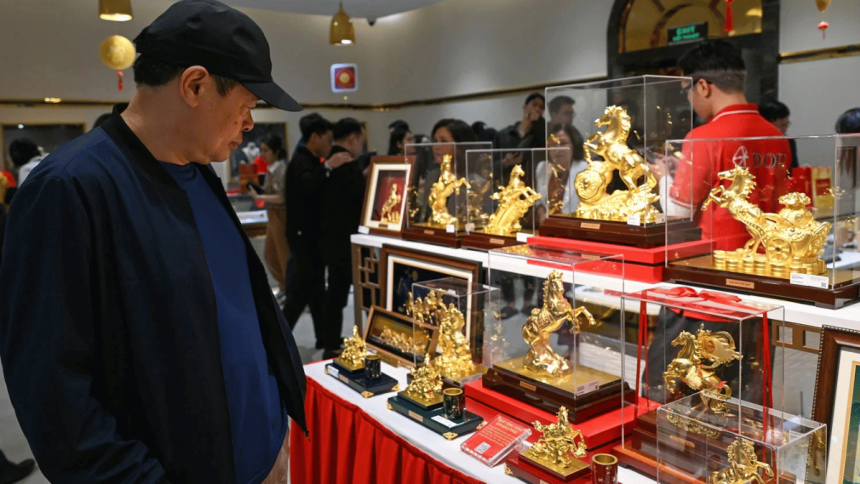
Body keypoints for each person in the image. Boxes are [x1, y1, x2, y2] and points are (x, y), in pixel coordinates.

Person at [0, 1, 308, 482]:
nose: (249, 123)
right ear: (195, 85)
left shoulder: (197, 170)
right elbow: (54, 394)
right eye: (246, 105)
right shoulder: (69, 189)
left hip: (264, 455)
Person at [667, 39, 791, 250]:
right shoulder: (777, 136)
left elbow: (677, 214)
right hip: (768, 255)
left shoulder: (703, 137)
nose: (688, 99)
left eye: (686, 90)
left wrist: (663, 178)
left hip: (719, 258)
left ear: (703, 86)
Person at [283, 115, 352, 349]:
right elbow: (307, 186)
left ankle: (324, 337)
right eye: (328, 139)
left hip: (311, 237)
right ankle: (278, 340)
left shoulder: (309, 160)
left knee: (316, 292)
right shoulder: (302, 161)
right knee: (301, 292)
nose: (330, 145)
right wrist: (328, 166)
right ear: (314, 137)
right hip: (303, 237)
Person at [319, 118, 367, 358]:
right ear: (353, 138)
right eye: (361, 140)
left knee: (335, 293)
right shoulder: (347, 162)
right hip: (348, 241)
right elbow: (361, 199)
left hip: (331, 239)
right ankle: (376, 338)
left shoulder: (330, 162)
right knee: (362, 291)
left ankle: (331, 341)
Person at [249, 135, 290, 304]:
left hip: (280, 214)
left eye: (266, 150)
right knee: (270, 255)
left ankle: (289, 290)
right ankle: (285, 286)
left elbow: (281, 197)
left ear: (276, 151)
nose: (262, 154)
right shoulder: (272, 168)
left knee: (283, 256)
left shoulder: (280, 169)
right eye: (262, 150)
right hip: (273, 215)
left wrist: (260, 196)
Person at [535, 123, 587, 224]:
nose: (558, 149)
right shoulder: (542, 167)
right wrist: (540, 211)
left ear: (574, 145)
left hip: (575, 226)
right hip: (548, 226)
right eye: (554, 144)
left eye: (563, 143)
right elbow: (539, 200)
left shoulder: (585, 169)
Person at [493, 93, 546, 184]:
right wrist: (505, 162)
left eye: (541, 107)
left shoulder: (540, 136)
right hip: (506, 187)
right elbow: (489, 167)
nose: (537, 109)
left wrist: (539, 122)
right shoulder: (504, 135)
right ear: (525, 107)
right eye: (534, 105)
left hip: (530, 187)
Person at [758, 100, 799, 169]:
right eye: (781, 126)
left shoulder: (789, 142)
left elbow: (793, 169)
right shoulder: (755, 141)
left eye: (786, 125)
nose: (785, 130)